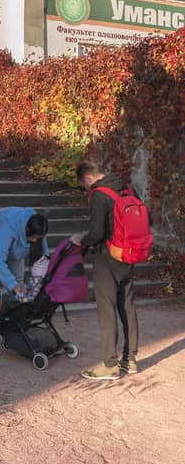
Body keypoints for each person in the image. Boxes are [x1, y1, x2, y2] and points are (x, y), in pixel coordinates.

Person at [74, 162, 141, 380]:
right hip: (128, 254)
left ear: (88, 179)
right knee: (127, 305)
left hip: (107, 255)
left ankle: (110, 364)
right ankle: (129, 360)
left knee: (106, 307)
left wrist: (80, 241)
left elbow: (97, 232)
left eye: (85, 185)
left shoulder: (99, 194)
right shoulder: (127, 188)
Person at [0, 207, 49, 351]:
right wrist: (12, 285)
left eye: (37, 238)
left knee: (20, 290)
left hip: (16, 249)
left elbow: (43, 257)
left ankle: (12, 330)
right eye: (33, 237)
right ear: (27, 230)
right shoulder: (8, 224)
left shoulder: (39, 225)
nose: (35, 241)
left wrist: (39, 280)